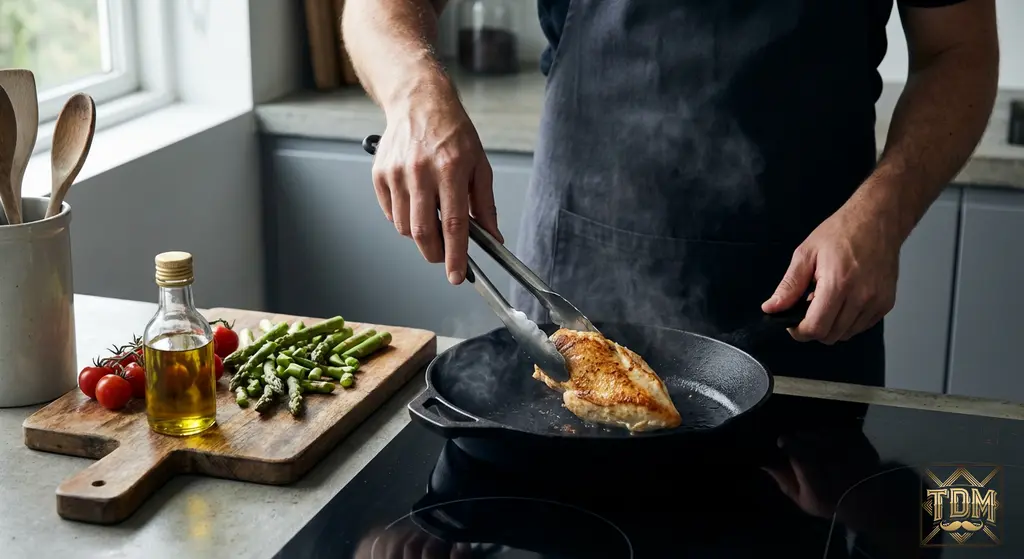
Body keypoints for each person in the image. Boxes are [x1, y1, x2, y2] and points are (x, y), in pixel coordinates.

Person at [342, 1, 998, 386]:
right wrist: (415, 94)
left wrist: (884, 211)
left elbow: (960, 52)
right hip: (577, 299)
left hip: (810, 309)